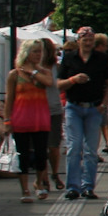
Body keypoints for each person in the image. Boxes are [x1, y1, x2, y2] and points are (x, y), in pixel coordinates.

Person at [57, 26, 108, 199]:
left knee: (90, 150)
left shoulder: (102, 59)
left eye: (91, 40)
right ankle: (73, 186)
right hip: (74, 106)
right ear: (78, 41)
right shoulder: (69, 58)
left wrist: (104, 104)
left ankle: (88, 186)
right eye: (85, 39)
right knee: (74, 147)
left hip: (94, 107)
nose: (88, 43)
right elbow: (58, 84)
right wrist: (73, 80)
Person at [7, 39, 56, 203]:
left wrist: (33, 72)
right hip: (21, 119)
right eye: (35, 51)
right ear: (26, 53)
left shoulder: (44, 72)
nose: (38, 55)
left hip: (40, 119)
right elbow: (10, 99)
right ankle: (25, 189)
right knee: (23, 155)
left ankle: (39, 183)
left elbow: (49, 83)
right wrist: (7, 120)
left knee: (42, 154)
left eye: (39, 51)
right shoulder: (14, 75)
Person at [41, 40, 67, 192]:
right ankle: (43, 177)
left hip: (54, 109)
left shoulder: (56, 68)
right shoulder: (31, 69)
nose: (40, 53)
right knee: (40, 147)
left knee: (53, 146)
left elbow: (61, 85)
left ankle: (55, 173)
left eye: (42, 50)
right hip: (37, 110)